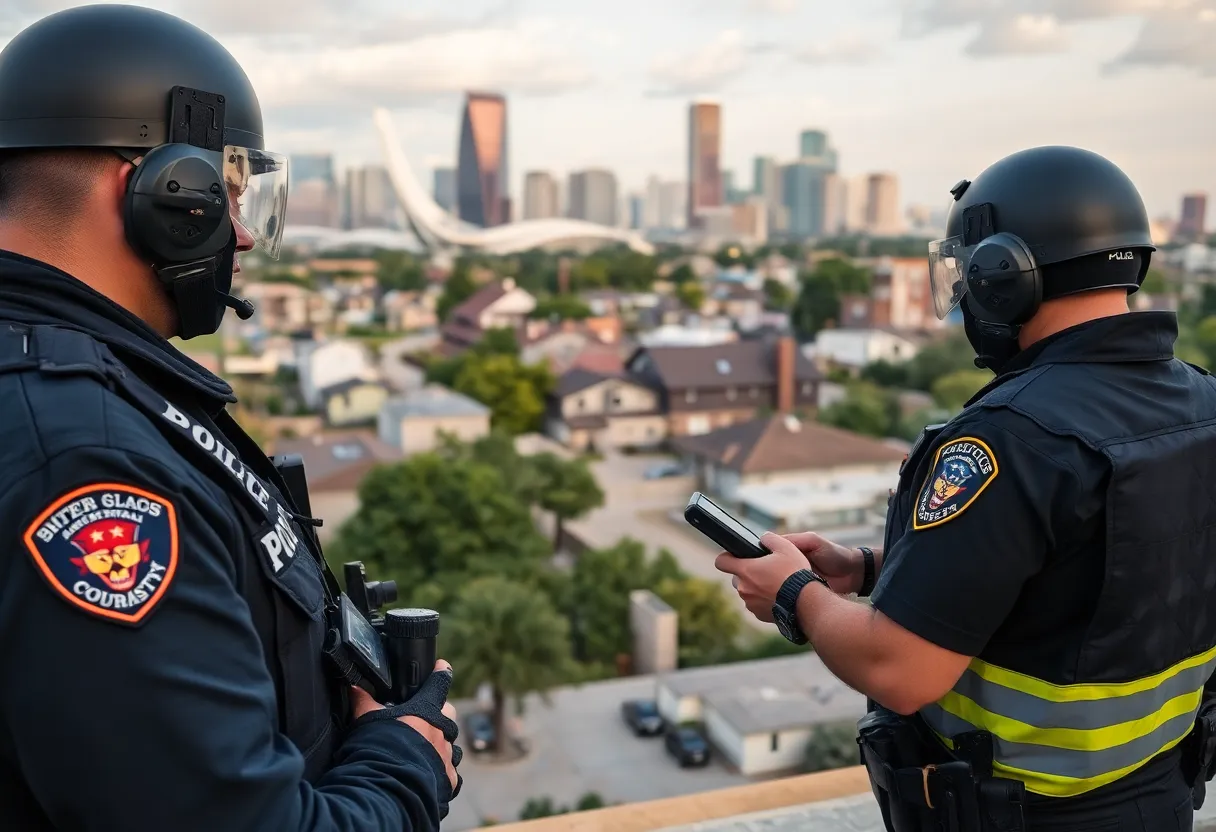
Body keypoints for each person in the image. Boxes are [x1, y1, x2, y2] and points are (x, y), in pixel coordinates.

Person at [0, 5, 461, 830]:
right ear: (165, 195)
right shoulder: (86, 460)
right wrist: (408, 761)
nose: (242, 237)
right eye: (231, 195)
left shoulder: (75, 387)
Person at [717, 145, 1216, 830]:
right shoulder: (1203, 406)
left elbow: (900, 671)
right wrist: (868, 569)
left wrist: (793, 593)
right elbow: (1093, 582)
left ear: (1003, 276)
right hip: (1159, 799)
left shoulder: (1011, 440)